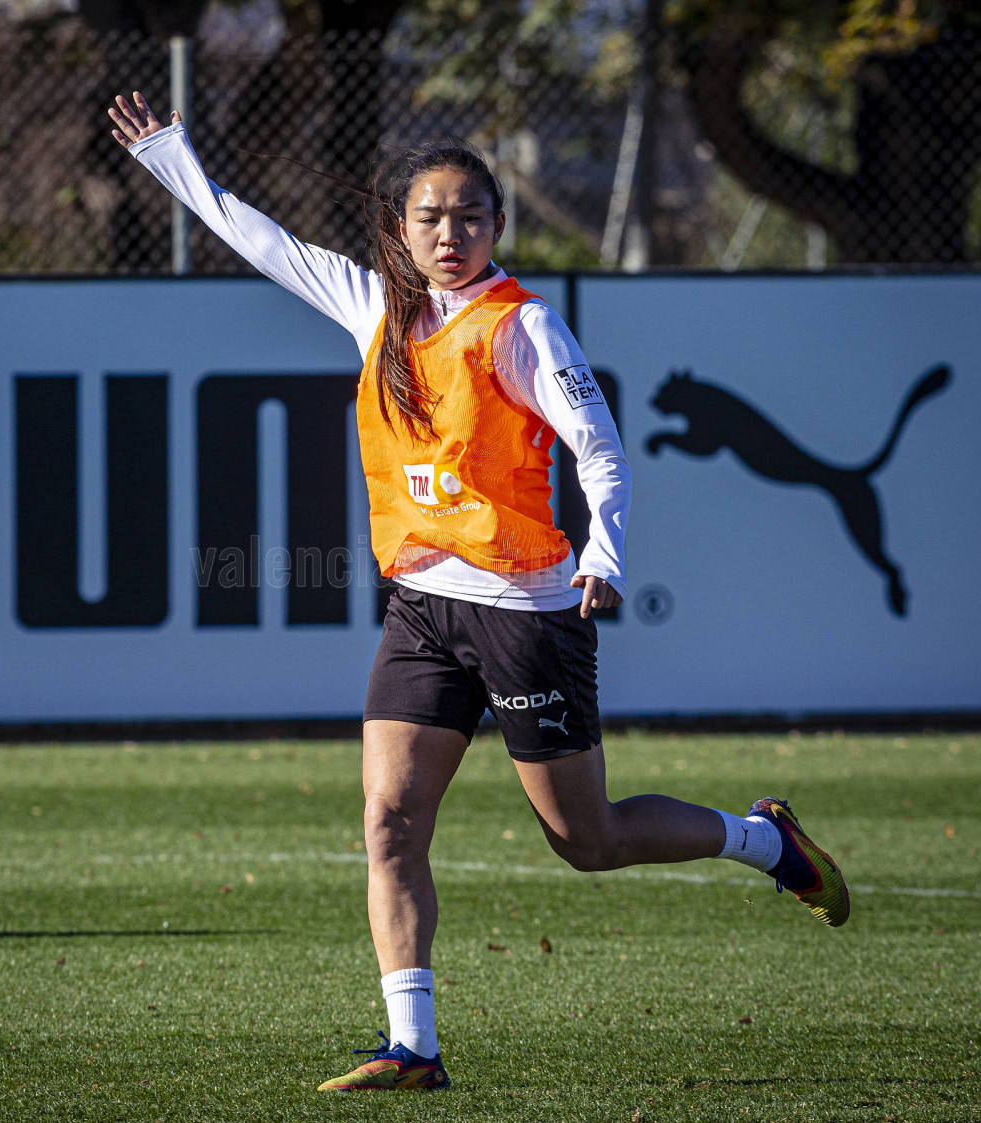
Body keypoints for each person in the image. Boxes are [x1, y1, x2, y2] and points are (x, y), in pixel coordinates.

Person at [108, 91, 850, 1093]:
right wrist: (168, 154)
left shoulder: (523, 325)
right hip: (421, 607)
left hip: (526, 610)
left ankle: (763, 840)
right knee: (389, 821)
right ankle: (412, 1046)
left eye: (469, 216)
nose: (449, 234)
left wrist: (603, 554)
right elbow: (256, 236)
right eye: (430, 217)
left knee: (586, 840)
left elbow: (599, 449)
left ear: (498, 225)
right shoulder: (374, 306)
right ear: (401, 228)